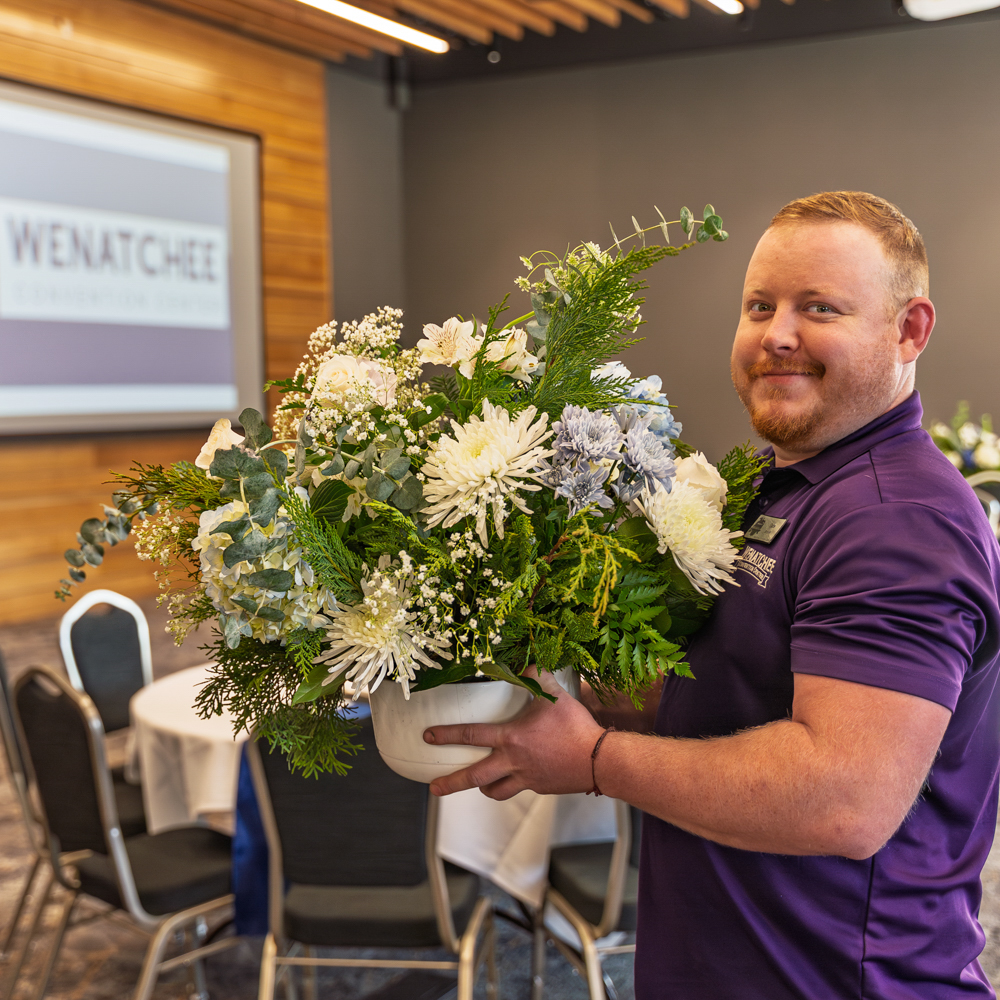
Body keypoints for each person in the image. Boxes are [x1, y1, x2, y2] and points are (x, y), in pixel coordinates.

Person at [424, 191, 1000, 999]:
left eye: (820, 307)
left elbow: (844, 798)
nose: (778, 335)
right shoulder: (790, 483)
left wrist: (593, 759)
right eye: (759, 305)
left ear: (909, 330)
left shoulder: (894, 517)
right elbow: (754, 694)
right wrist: (620, 699)